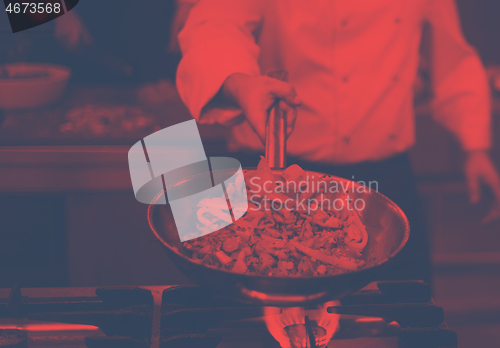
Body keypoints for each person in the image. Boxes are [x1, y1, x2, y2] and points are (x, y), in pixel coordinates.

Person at [175, 0, 500, 283]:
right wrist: (239, 83)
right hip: (276, 180)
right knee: (271, 320)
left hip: (382, 187)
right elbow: (215, 23)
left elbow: (452, 55)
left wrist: (476, 146)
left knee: (405, 318)